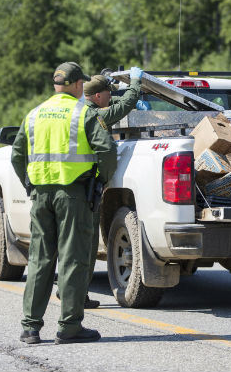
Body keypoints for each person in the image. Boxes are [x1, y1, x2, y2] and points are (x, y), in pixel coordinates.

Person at [11, 61, 117, 344]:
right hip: (73, 195)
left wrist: (30, 183)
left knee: (40, 259)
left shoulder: (34, 114)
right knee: (73, 259)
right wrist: (103, 179)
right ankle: (69, 327)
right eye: (81, 84)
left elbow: (17, 155)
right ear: (77, 85)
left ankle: (30, 327)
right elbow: (106, 149)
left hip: (41, 195)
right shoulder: (81, 113)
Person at [55, 66, 142, 308]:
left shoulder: (75, 113)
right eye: (107, 93)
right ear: (96, 97)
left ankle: (69, 291)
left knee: (70, 244)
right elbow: (123, 107)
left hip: (64, 186)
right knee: (85, 245)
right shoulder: (94, 115)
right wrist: (135, 83)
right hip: (85, 188)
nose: (110, 97)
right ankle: (76, 296)